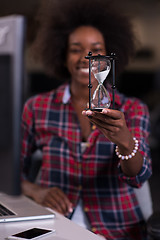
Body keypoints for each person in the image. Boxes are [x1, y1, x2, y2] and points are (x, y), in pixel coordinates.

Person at [21, 0, 152, 239]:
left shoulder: (133, 109)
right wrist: (36, 191)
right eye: (75, 49)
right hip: (54, 225)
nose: (86, 56)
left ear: (109, 57)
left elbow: (138, 176)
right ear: (62, 55)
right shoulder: (37, 107)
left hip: (118, 230)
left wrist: (124, 140)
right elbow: (9, 171)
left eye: (96, 48)